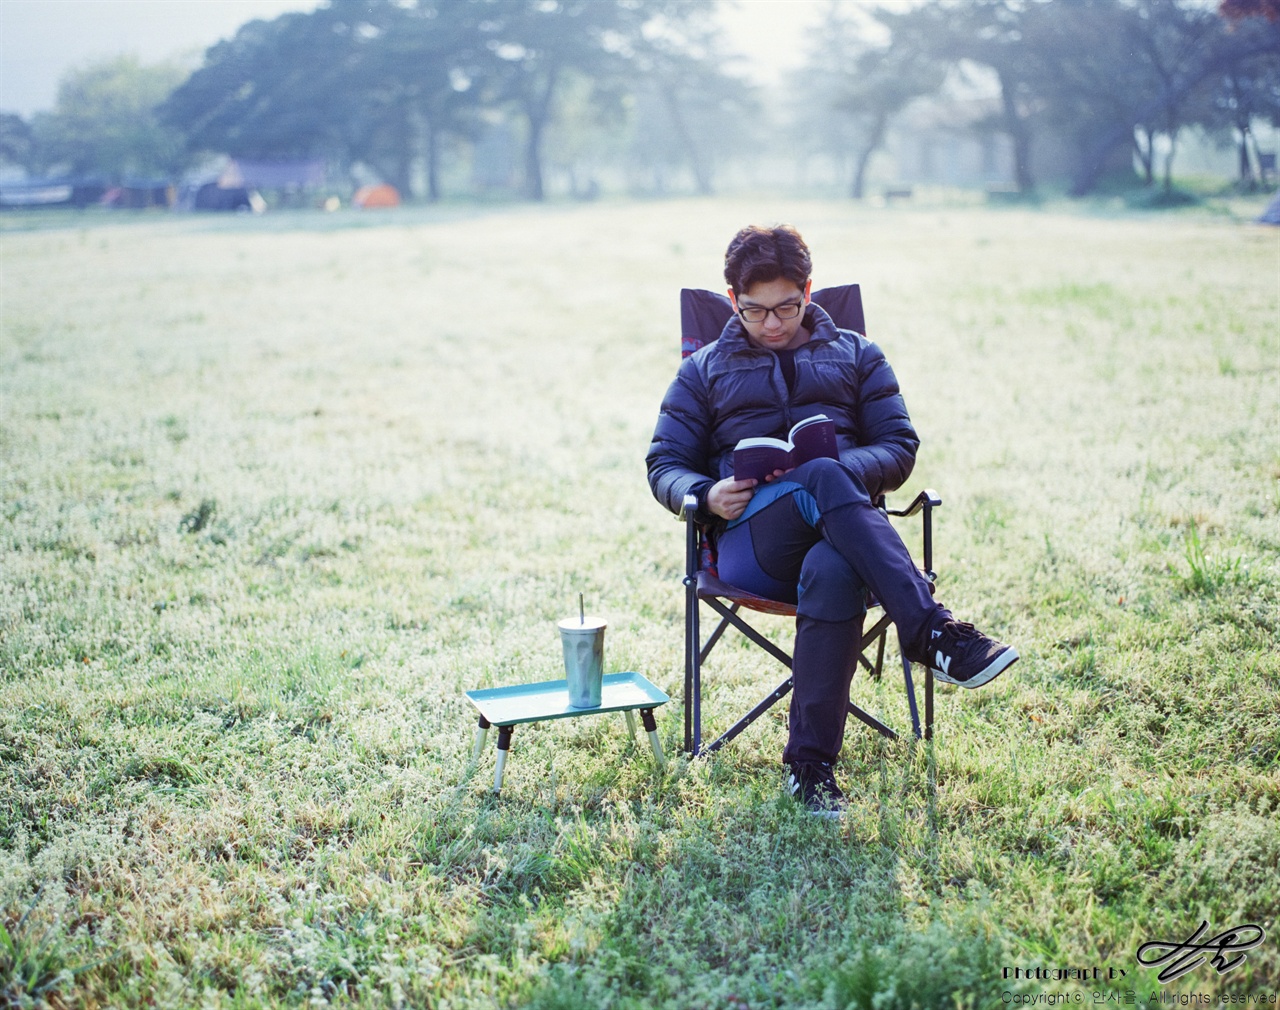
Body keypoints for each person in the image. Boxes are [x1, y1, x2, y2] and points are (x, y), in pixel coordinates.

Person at [646, 224, 1017, 818]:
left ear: (809, 290)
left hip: (848, 542)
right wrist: (706, 493)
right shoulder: (704, 371)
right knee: (821, 477)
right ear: (732, 300)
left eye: (787, 306)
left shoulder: (858, 354)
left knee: (834, 562)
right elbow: (664, 462)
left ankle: (810, 770)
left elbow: (898, 446)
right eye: (754, 311)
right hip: (753, 546)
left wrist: (837, 467)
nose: (772, 323)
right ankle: (931, 632)